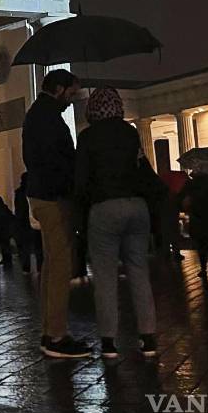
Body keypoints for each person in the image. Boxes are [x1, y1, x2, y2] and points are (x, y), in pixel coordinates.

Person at [74, 87, 158, 358]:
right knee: (138, 271)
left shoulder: (87, 137)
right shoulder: (130, 132)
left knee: (106, 276)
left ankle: (109, 341)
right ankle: (148, 337)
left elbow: (82, 180)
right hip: (136, 206)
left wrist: (81, 212)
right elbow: (142, 168)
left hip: (104, 207)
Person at [22, 69, 90, 359]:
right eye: (72, 94)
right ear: (59, 89)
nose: (72, 101)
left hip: (41, 193)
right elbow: (58, 159)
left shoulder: (38, 114)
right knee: (60, 265)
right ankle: (56, 336)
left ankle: (51, 330)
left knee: (52, 265)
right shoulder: (48, 118)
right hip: (53, 196)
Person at [13, 173, 43, 273]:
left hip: (23, 223)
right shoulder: (34, 191)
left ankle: (27, 267)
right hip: (35, 222)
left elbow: (18, 209)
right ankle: (40, 267)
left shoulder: (19, 192)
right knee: (38, 246)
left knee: (25, 247)